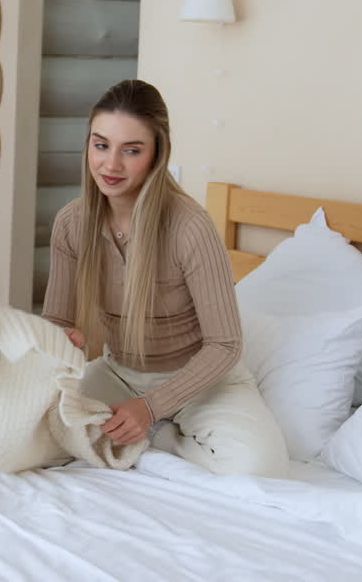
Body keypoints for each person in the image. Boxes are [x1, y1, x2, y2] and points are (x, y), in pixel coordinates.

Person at [41, 79, 288, 477]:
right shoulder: (71, 223)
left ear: (157, 154)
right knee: (37, 434)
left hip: (201, 381)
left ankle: (161, 436)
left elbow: (225, 344)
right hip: (118, 373)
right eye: (101, 145)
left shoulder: (191, 229)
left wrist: (151, 409)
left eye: (132, 151)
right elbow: (56, 321)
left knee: (260, 468)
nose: (110, 165)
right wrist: (59, 341)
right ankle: (152, 430)